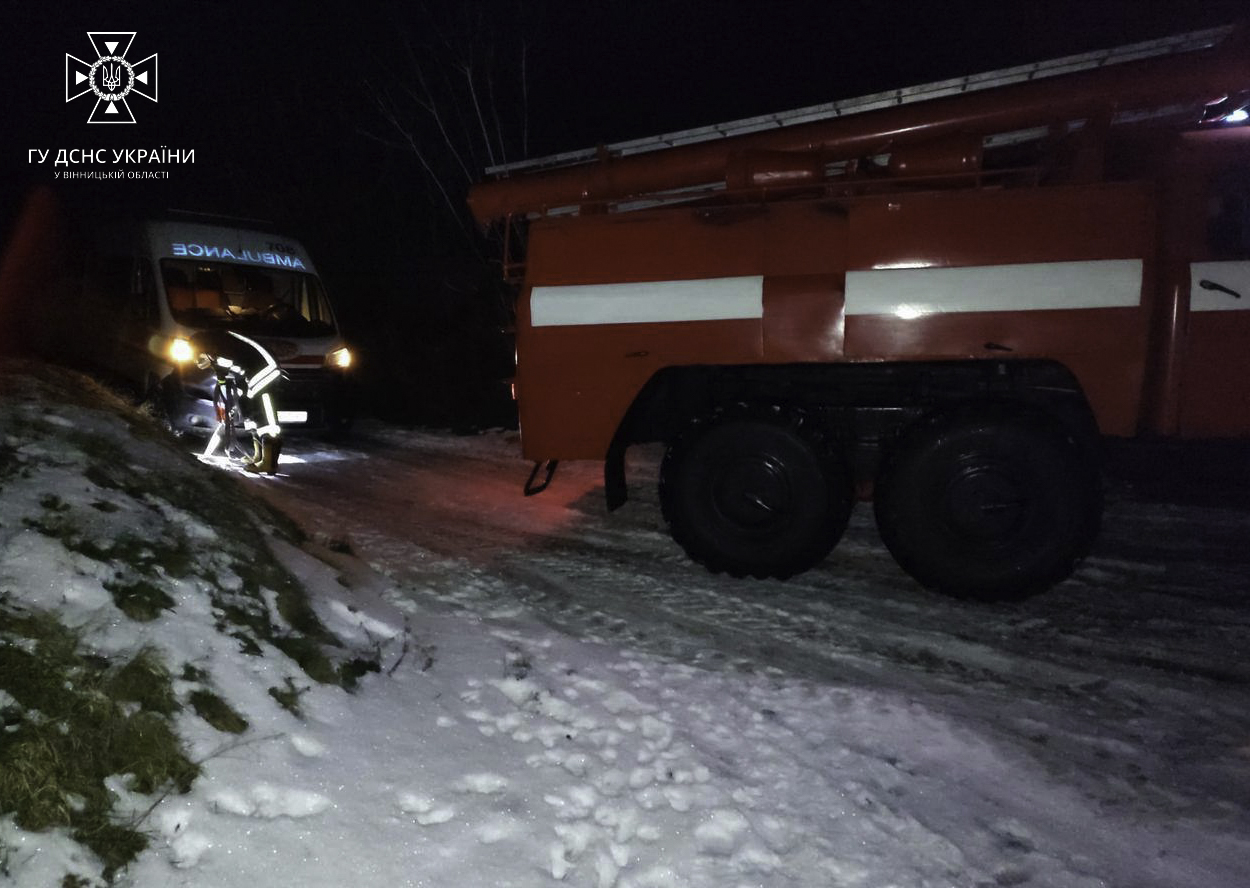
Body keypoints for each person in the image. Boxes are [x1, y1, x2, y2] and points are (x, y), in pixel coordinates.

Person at [193, 329, 284, 474]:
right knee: (248, 411)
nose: (198, 361)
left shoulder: (222, 350)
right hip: (249, 374)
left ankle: (269, 463)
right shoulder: (220, 346)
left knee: (264, 418)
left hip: (264, 372)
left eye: (200, 356)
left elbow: (225, 372)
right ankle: (259, 455)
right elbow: (231, 375)